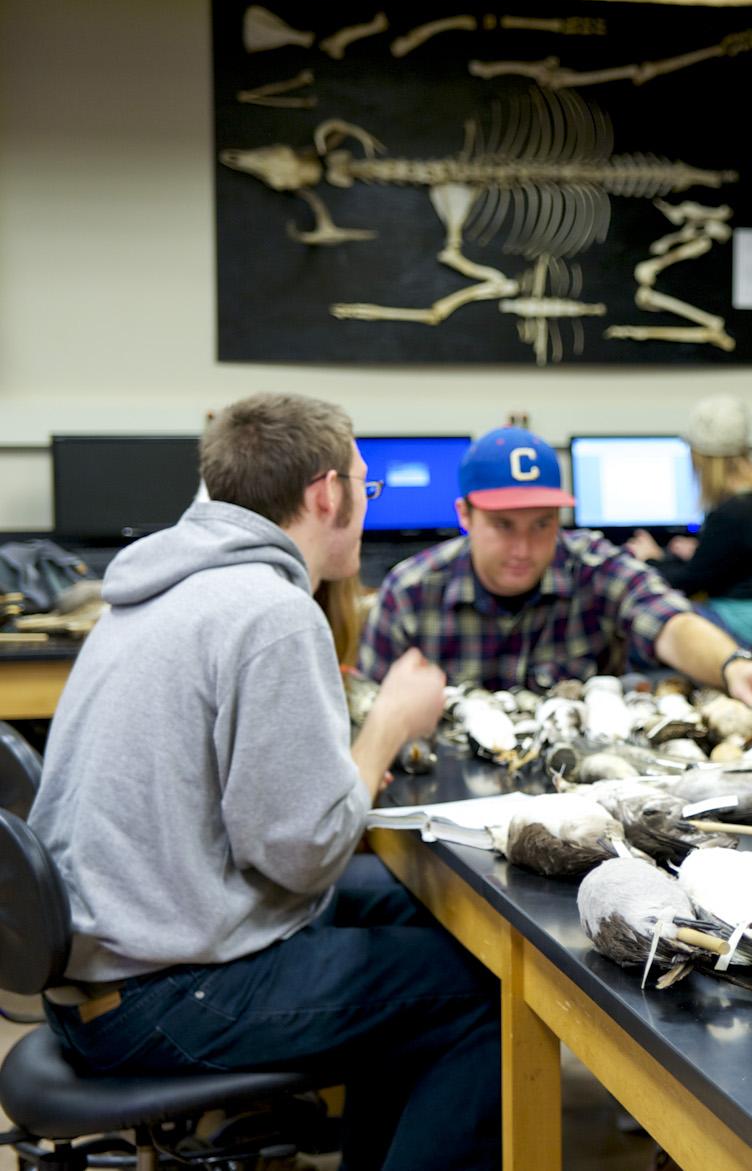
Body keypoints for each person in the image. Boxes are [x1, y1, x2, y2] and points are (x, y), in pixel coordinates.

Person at [29, 393, 501, 1170]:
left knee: (421, 914)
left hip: (99, 967)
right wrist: (388, 722)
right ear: (325, 493)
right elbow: (303, 853)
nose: (364, 502)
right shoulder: (270, 611)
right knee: (480, 994)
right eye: (363, 484)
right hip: (161, 995)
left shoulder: (157, 585)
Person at [360, 426, 752, 704]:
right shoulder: (410, 594)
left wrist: (734, 666)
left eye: (542, 524)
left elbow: (670, 622)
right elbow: (372, 715)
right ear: (465, 515)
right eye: (504, 526)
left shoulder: (592, 566)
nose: (523, 548)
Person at [627, 393, 752, 648]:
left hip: (744, 626)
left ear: (701, 458)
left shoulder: (731, 512)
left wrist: (651, 557)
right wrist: (703, 553)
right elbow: (746, 556)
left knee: (647, 622)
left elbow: (687, 582)